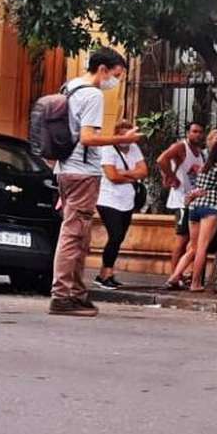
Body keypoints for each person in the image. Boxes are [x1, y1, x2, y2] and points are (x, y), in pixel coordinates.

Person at [49, 47, 142, 317]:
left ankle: (77, 294)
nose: (117, 81)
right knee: (73, 235)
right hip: (82, 173)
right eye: (116, 75)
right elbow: (88, 138)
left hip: (66, 169)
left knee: (81, 236)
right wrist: (122, 139)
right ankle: (62, 296)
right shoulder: (92, 94)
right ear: (102, 69)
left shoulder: (70, 87)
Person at [163, 130, 217, 292]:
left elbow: (198, 185)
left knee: (192, 247)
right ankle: (195, 283)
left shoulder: (204, 166)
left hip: (194, 207)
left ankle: (174, 276)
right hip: (211, 206)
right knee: (202, 247)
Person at [94, 119, 148, 289]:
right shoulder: (108, 149)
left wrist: (124, 173)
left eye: (129, 135)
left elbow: (144, 171)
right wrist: (132, 175)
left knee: (119, 238)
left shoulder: (134, 148)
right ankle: (107, 274)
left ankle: (103, 273)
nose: (126, 139)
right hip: (108, 199)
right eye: (122, 135)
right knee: (115, 235)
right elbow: (112, 176)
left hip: (127, 200)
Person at [156, 121, 207, 272]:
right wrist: (171, 177)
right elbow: (161, 159)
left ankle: (183, 273)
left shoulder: (201, 153)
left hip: (194, 201)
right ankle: (174, 275)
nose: (198, 135)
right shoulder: (181, 147)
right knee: (182, 239)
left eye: (200, 132)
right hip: (181, 201)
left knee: (192, 241)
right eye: (194, 131)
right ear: (188, 133)